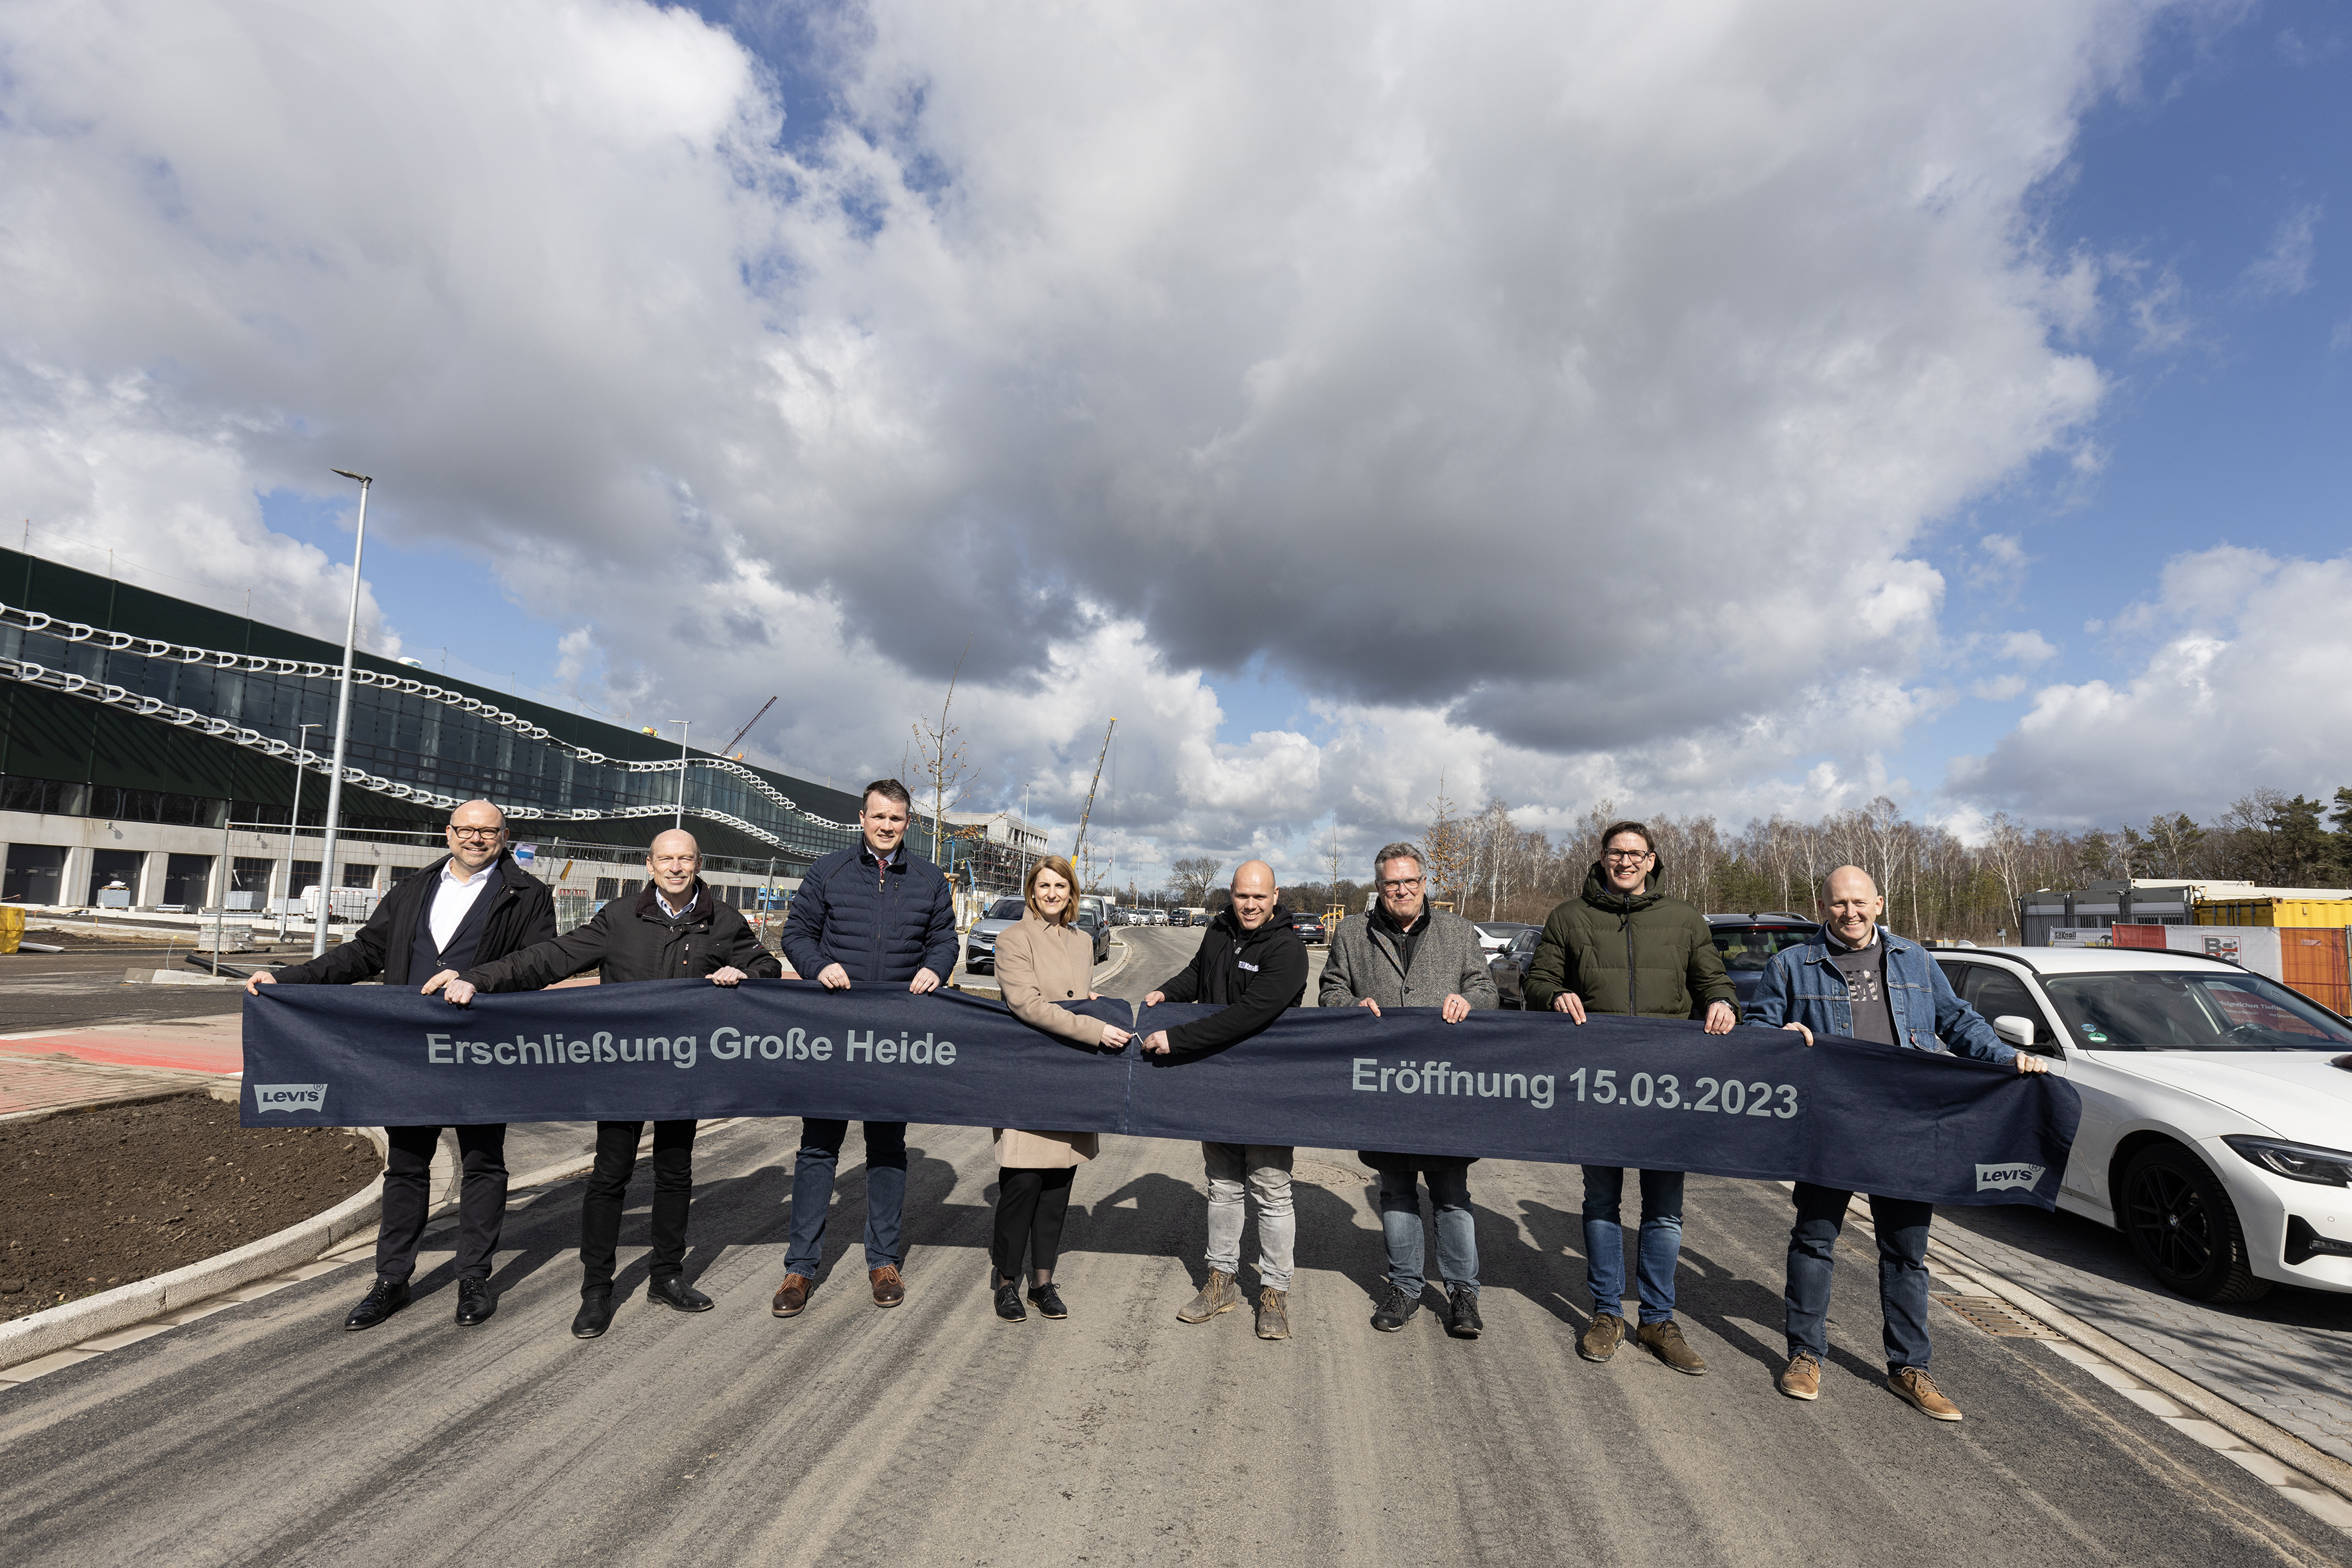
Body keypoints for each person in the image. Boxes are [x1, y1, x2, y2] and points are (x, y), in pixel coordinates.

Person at [441, 828, 781, 1339]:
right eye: (666, 858)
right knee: (609, 1176)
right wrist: (479, 979)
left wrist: (743, 974)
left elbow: (766, 968)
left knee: (674, 1174)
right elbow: (548, 959)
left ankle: (666, 1276)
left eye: (684, 859)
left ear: (697, 863)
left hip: (684, 1071)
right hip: (623, 1070)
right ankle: (596, 1290)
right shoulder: (620, 918)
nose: (675, 868)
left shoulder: (721, 919)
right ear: (650, 864)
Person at [1749, 864, 2049, 1420]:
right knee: (1814, 1240)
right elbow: (1758, 1027)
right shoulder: (1790, 965)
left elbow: (1959, 1022)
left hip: (1906, 1128)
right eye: (1839, 904)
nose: (1850, 913)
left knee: (1906, 1252)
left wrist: (2007, 1059)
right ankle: (1804, 1354)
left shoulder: (1914, 960)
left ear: (1879, 904)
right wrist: (1777, 1036)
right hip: (1829, 1127)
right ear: (1823, 907)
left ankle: (1909, 1368)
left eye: (1860, 902)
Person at [250, 799, 555, 1331]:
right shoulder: (412, 889)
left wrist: (479, 978)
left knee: (484, 1161)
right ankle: (391, 1280)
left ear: (505, 836)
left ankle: (474, 1278)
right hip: (408, 1049)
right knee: (408, 1165)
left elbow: (538, 962)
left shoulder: (528, 893)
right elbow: (365, 952)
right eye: (466, 829)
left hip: (479, 1047)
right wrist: (290, 977)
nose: (476, 839)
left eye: (488, 831)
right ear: (448, 833)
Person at [1523, 819, 1736, 1375]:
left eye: (1635, 854)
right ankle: (1605, 1313)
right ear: (1601, 857)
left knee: (1664, 1212)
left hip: (1667, 1087)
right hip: (1598, 1085)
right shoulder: (1569, 917)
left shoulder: (1684, 919)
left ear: (1652, 859)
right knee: (1601, 1203)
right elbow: (1536, 979)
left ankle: (1658, 1319)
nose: (1625, 862)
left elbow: (1713, 980)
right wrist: (1556, 994)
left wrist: (1721, 1003)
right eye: (1616, 853)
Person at [771, 778, 958, 1317]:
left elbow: (944, 939)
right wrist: (817, 965)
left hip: (894, 1035)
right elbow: (797, 934)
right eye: (878, 816)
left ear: (907, 824)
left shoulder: (928, 879)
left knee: (886, 1148)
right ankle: (799, 1269)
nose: (886, 826)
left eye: (896, 819)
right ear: (862, 817)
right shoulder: (827, 870)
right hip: (833, 1032)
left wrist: (935, 967)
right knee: (817, 1149)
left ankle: (883, 1260)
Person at [1317, 842, 1496, 1339]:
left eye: (1410, 881)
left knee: (1451, 1194)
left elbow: (1488, 990)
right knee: (1396, 1192)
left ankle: (1463, 1293)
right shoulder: (1353, 932)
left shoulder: (1458, 932)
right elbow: (1329, 991)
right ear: (1378, 887)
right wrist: (1350, 1004)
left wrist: (1469, 1001)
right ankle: (1404, 1287)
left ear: (1424, 883)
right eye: (1391, 883)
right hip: (1384, 1089)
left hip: (1445, 1088)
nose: (1401, 890)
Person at [1141, 861, 1310, 1340]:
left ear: (1275, 896)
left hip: (1267, 1088)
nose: (1250, 905)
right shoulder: (1217, 931)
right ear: (1231, 895)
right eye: (1241, 896)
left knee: (1272, 1190)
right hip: (1216, 1082)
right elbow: (1195, 976)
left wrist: (1179, 1037)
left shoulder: (1288, 949)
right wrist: (1163, 993)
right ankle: (1221, 1283)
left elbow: (1248, 1015)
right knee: (1221, 1186)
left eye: (1259, 897)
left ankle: (1274, 1293)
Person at [986, 854, 1133, 1322]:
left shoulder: (1083, 942)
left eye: (1060, 886)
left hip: (1071, 1080)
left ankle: (1042, 1283)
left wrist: (1093, 1005)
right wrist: (1093, 1028)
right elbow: (1026, 1004)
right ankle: (1006, 1281)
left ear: (1072, 893)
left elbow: (1075, 998)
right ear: (1032, 890)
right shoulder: (1012, 939)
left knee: (1057, 1187)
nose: (1052, 893)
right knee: (1021, 1183)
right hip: (1028, 1078)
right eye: (1044, 885)